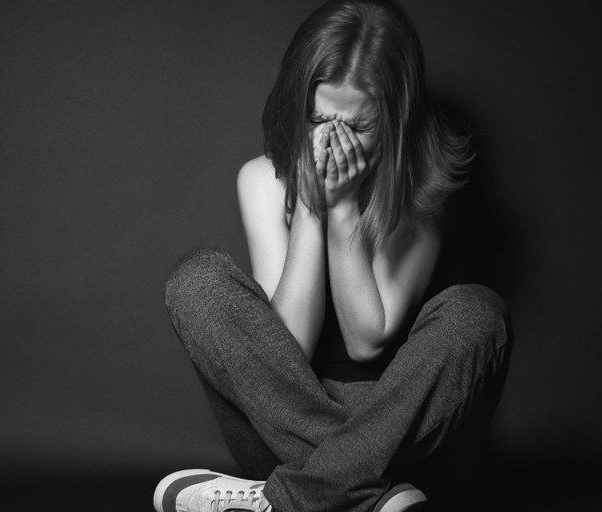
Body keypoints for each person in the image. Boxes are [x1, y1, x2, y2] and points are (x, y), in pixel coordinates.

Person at [154, 1, 513, 511]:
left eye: (358, 128)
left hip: (404, 423)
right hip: (283, 431)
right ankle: (366, 495)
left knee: (478, 312)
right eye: (319, 119)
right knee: (196, 281)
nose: (332, 141)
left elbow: (368, 341)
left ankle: (282, 501)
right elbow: (287, 347)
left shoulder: (422, 188)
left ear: (395, 123)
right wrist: (310, 206)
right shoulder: (262, 179)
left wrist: (343, 209)